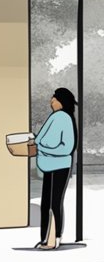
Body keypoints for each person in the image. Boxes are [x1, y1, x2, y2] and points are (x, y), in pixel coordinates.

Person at [35, 88, 78, 250]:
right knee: (46, 203)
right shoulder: (56, 117)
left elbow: (66, 148)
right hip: (49, 166)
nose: (51, 101)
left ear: (61, 100)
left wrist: (43, 149)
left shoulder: (63, 118)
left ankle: (53, 239)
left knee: (54, 203)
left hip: (59, 166)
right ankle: (46, 238)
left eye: (53, 98)